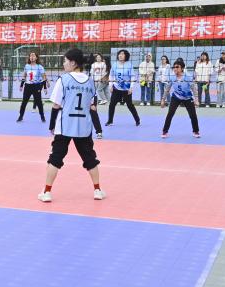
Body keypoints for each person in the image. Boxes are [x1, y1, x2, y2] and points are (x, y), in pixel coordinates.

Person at [37, 48, 105, 203]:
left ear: (73, 63)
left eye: (65, 61)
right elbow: (92, 106)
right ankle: (97, 190)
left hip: (65, 126)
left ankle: (46, 192)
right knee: (90, 158)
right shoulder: (90, 81)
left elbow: (56, 105)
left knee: (55, 158)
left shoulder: (64, 80)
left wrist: (51, 125)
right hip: (83, 126)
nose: (64, 64)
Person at [160, 58, 200, 139]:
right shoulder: (172, 77)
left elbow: (194, 88)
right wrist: (163, 100)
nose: (175, 68)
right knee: (170, 113)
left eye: (177, 67)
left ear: (182, 68)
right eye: (174, 67)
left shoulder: (187, 77)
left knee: (193, 115)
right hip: (176, 96)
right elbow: (167, 89)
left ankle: (196, 131)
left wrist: (196, 99)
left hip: (187, 97)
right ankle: (165, 131)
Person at [106, 49, 140, 126]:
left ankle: (137, 120)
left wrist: (131, 87)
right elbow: (111, 75)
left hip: (126, 89)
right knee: (112, 104)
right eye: (119, 54)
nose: (120, 55)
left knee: (130, 105)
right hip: (116, 88)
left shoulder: (129, 65)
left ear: (126, 56)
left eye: (122, 54)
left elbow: (132, 77)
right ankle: (110, 121)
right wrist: (110, 85)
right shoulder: (115, 64)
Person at [17, 51, 47, 122]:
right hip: (27, 86)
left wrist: (45, 87)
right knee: (24, 102)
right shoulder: (27, 66)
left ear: (36, 58)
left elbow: (44, 77)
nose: (32, 57)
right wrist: (21, 85)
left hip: (36, 86)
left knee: (39, 102)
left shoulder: (39, 67)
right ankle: (20, 116)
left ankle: (42, 117)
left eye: (33, 56)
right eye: (31, 56)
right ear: (29, 57)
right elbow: (24, 76)